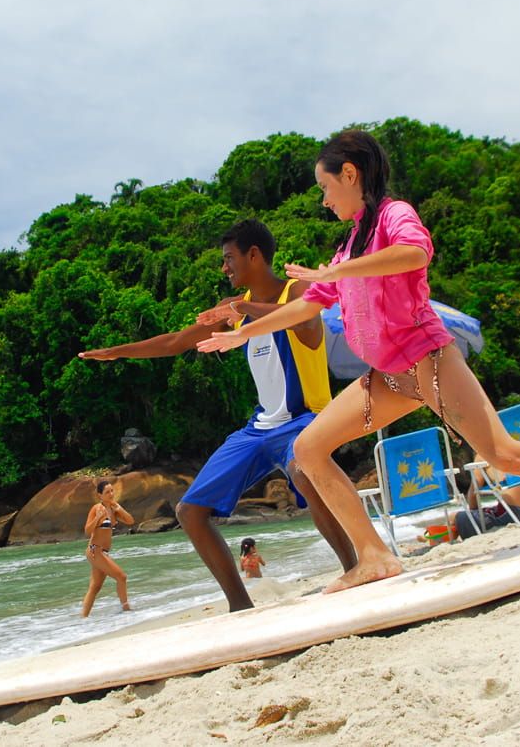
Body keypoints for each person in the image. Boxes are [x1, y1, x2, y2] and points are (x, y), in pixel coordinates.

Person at [197, 130, 520, 594]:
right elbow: (308, 306)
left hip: (428, 362)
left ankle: (373, 556)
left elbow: (414, 253)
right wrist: (243, 333)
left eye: (326, 187)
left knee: (503, 454)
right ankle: (374, 557)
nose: (324, 200)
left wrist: (339, 272)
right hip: (388, 379)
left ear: (350, 175)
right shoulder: (349, 245)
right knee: (309, 450)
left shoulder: (393, 216)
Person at [79, 219, 356, 612]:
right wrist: (118, 351)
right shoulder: (236, 310)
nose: (225, 268)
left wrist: (241, 308)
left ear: (254, 256)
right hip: (259, 428)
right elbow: (177, 342)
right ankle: (240, 608)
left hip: (305, 420)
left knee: (304, 472)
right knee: (190, 512)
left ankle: (356, 571)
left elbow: (305, 319)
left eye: (229, 259)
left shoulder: (296, 290)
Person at [82, 479, 135, 617]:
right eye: (107, 492)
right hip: (95, 550)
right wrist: (97, 518)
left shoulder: (113, 508)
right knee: (121, 577)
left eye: (112, 491)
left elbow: (130, 521)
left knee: (95, 587)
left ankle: (82, 619)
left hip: (103, 552)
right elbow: (87, 531)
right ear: (100, 495)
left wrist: (120, 509)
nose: (111, 494)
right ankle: (126, 609)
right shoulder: (96, 509)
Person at [454, 454, 520, 539]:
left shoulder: (483, 455)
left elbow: (473, 492)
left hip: (512, 512)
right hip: (512, 508)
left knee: (458, 518)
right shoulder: (513, 446)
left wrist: (473, 513)